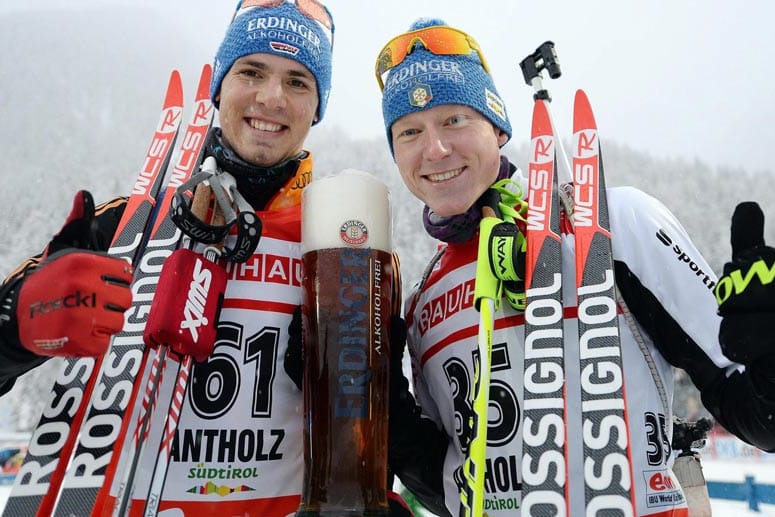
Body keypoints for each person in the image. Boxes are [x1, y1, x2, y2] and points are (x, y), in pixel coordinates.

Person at [0, 1, 413, 515]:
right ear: (220, 87)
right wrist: (17, 326)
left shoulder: (343, 251)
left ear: (317, 107)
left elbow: (374, 432)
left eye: (298, 82)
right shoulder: (126, 228)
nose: (271, 98)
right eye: (252, 72)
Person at [374, 17, 775, 516]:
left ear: (497, 128)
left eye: (455, 120)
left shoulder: (615, 224)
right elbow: (448, 478)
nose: (435, 149)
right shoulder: (423, 302)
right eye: (410, 131)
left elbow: (758, 415)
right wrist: (379, 408)